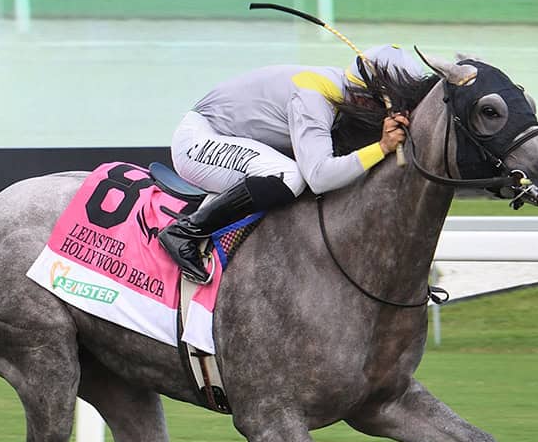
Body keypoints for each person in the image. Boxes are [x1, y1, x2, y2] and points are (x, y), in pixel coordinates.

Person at [159, 44, 425, 284]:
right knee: (290, 176)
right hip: (198, 142)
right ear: (369, 98)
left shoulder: (343, 88)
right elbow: (319, 177)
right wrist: (381, 147)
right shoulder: (314, 98)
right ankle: (185, 232)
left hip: (228, 136)